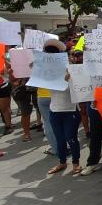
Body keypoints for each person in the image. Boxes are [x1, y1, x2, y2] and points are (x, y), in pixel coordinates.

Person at [44, 39, 82, 176]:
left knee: (70, 137)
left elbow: (77, 89)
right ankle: (62, 162)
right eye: (47, 52)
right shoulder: (46, 70)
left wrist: (67, 79)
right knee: (59, 138)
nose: (50, 55)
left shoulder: (71, 68)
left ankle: (76, 163)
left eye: (53, 52)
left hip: (70, 109)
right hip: (55, 109)